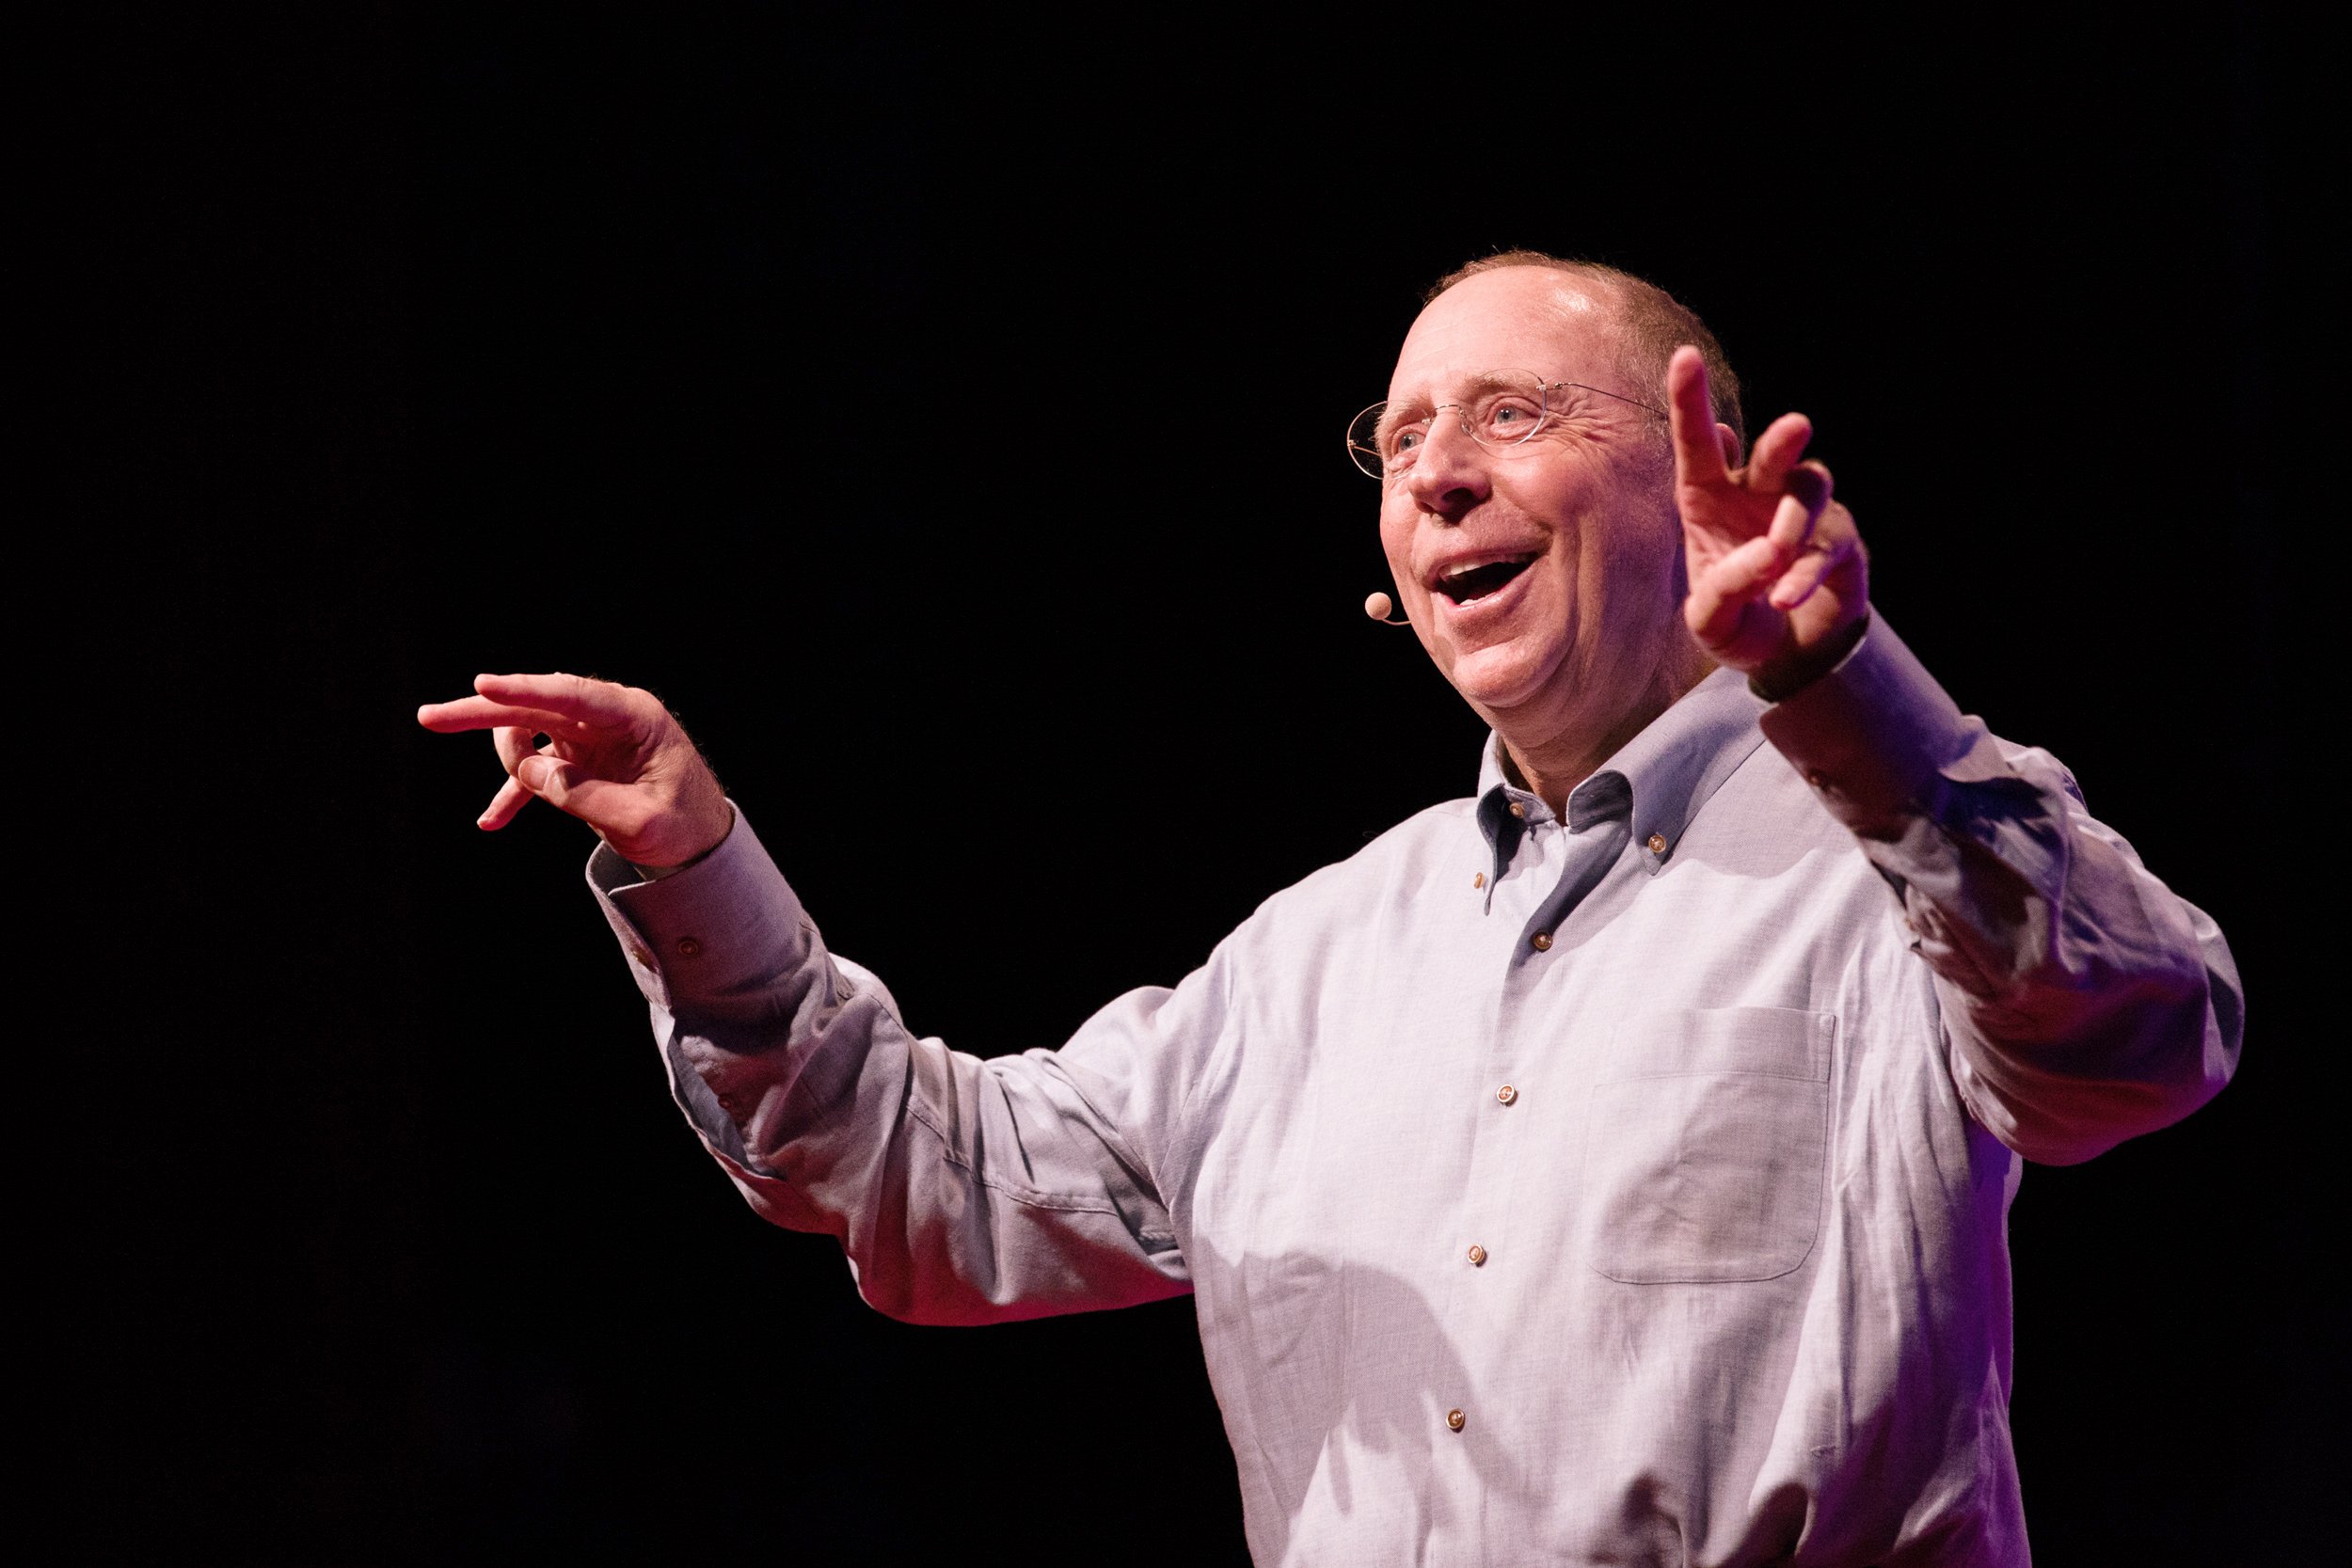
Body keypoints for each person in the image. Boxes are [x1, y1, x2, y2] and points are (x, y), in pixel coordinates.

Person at [419, 253, 2241, 1565]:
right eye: (1402, 438)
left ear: (1701, 484)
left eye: (1514, 414)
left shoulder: (1885, 860)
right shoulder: (1313, 961)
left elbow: (2145, 1043)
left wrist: (1845, 690)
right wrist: (694, 862)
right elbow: (925, 1182)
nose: (1435, 472)